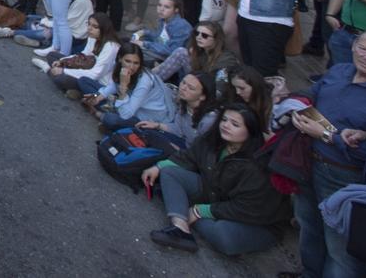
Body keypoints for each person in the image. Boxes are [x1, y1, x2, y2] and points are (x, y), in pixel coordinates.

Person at [290, 30, 366, 278]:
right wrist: (295, 104)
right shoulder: (341, 70)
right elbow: (313, 95)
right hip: (308, 162)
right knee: (309, 227)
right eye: (363, 48)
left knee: (341, 249)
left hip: (346, 178)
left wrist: (326, 136)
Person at [141, 103, 290, 256]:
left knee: (224, 238)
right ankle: (180, 228)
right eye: (224, 120)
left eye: (235, 124)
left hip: (254, 220)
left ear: (250, 131)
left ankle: (182, 206)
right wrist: (158, 167)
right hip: (215, 194)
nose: (225, 125)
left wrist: (201, 210)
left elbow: (247, 208)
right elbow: (189, 156)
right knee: (169, 172)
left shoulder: (257, 165)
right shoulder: (214, 139)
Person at [91, 43, 176, 130]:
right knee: (84, 82)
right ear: (120, 59)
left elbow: (125, 114)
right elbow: (113, 86)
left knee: (111, 119)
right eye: (127, 61)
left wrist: (123, 86)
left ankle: (100, 114)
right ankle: (99, 109)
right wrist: (97, 96)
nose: (131, 67)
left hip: (144, 116)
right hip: (127, 104)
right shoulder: (118, 66)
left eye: (136, 63)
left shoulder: (145, 81)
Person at [138, 71, 220, 150]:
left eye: (191, 88)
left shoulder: (209, 120)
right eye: (183, 82)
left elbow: (203, 152)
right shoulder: (185, 103)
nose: (183, 88)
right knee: (144, 130)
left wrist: (177, 150)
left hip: (191, 156)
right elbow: (178, 129)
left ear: (202, 96)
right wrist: (157, 125)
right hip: (183, 145)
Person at [47, 13, 119, 97]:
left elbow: (95, 74)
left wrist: (64, 71)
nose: (89, 28)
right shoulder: (93, 36)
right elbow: (83, 56)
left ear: (104, 29)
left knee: (60, 79)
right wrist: (63, 61)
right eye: (88, 24)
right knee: (52, 56)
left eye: (95, 27)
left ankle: (79, 91)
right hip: (86, 68)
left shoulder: (110, 46)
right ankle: (73, 88)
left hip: (96, 82)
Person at [152, 20, 238, 88]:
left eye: (204, 35)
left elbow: (219, 85)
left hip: (210, 92)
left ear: (216, 39)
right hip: (194, 84)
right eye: (197, 33)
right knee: (182, 53)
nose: (199, 37)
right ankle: (150, 79)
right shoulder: (201, 51)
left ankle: (151, 81)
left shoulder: (226, 58)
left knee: (181, 53)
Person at [135, 0, 193, 66]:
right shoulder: (164, 20)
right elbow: (160, 38)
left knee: (135, 53)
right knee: (129, 43)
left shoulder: (181, 26)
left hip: (173, 62)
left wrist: (145, 44)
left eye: (167, 7)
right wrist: (144, 32)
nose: (161, 9)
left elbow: (171, 51)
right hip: (162, 54)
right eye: (159, 5)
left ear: (176, 10)